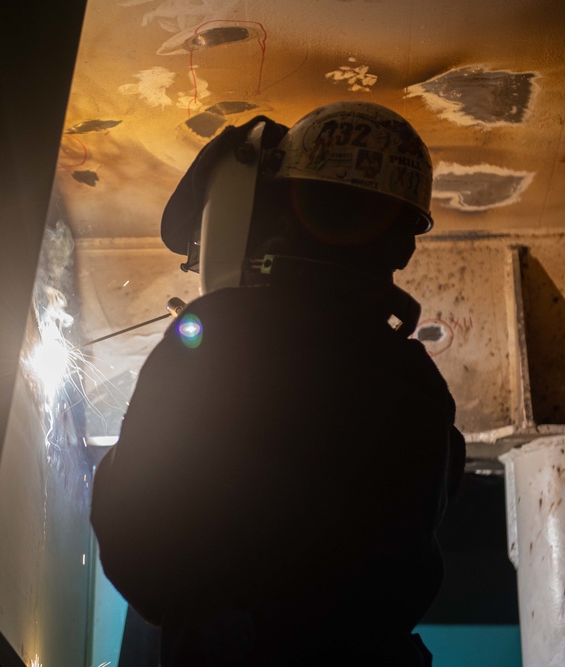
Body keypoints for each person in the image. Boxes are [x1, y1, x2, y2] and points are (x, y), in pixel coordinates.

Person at [90, 102, 466, 667]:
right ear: (405, 244)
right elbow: (409, 572)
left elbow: (134, 538)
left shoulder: (215, 336)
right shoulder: (419, 386)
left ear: (283, 210)